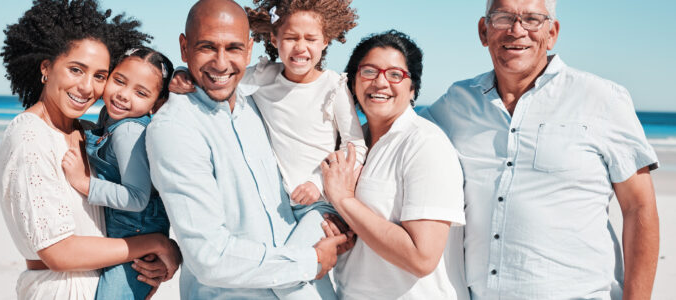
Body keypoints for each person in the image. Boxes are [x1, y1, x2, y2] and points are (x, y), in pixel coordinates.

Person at [418, 0, 660, 299]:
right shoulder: (457, 102)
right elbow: (397, 134)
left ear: (552, 33)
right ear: (484, 31)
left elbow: (639, 207)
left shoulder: (602, 98)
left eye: (532, 19)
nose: (517, 30)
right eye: (503, 18)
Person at [146, 0, 350, 299]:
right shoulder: (174, 129)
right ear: (184, 47)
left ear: (250, 49)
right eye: (206, 47)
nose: (220, 62)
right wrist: (312, 260)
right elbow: (209, 257)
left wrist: (331, 218)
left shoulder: (253, 106)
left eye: (233, 48)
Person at [0, 0, 181, 299]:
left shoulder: (87, 132)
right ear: (46, 67)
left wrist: (151, 263)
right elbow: (59, 253)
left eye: (99, 75)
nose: (87, 87)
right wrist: (156, 244)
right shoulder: (30, 137)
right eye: (75, 69)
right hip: (61, 290)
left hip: (105, 282)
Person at [322, 30, 468, 300]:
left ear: (412, 88)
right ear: (353, 82)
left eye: (395, 74)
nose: (380, 82)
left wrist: (344, 201)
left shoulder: (424, 144)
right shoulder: (348, 144)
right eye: (369, 71)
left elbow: (421, 258)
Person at [61, 46, 174, 300]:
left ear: (156, 103)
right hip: (128, 237)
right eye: (119, 81)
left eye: (141, 92)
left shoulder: (129, 131)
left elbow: (136, 198)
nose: (123, 95)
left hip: (137, 243)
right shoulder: (110, 116)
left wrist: (83, 182)